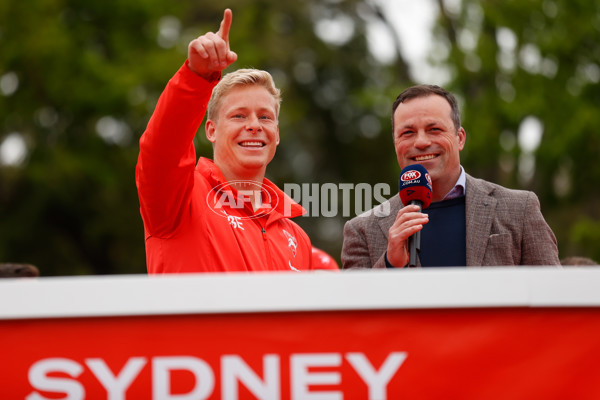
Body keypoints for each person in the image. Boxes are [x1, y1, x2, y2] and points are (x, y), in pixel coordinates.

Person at [136, 9, 314, 273]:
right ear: (211, 130)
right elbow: (161, 148)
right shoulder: (179, 198)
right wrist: (196, 76)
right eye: (239, 115)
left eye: (264, 117)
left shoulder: (297, 238)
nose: (254, 125)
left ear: (276, 133)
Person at [342, 84, 560, 268]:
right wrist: (389, 264)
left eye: (434, 129)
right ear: (395, 143)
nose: (421, 142)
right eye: (407, 133)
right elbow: (351, 315)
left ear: (460, 138)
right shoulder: (362, 230)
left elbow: (556, 300)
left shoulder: (519, 209)